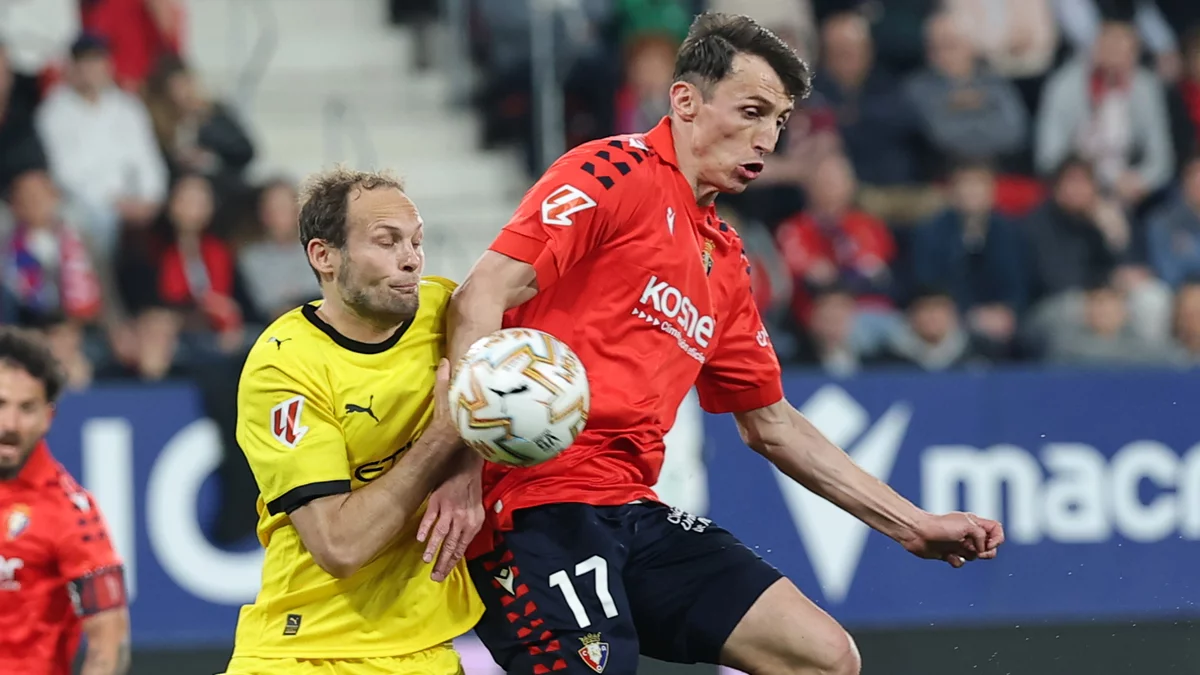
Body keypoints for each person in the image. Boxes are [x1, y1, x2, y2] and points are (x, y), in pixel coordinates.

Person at [448, 12, 1006, 675]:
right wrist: (460, 470)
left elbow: (772, 425)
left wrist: (911, 523)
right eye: (752, 111)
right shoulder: (613, 171)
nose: (767, 137)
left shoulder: (726, 259)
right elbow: (480, 293)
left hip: (631, 506)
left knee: (824, 656)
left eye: (779, 121)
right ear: (685, 100)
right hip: (532, 502)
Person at [220, 168, 485, 675]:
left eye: (416, 241)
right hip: (307, 651)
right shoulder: (284, 365)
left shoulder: (447, 312)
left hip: (425, 649)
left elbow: (500, 292)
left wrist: (467, 464)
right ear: (324, 256)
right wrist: (443, 437)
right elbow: (340, 546)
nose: (411, 259)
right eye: (386, 242)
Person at [0, 326, 130, 675]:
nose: (9, 424)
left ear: (48, 417)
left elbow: (110, 641)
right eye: (0, 404)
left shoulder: (71, 512)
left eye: (27, 408)